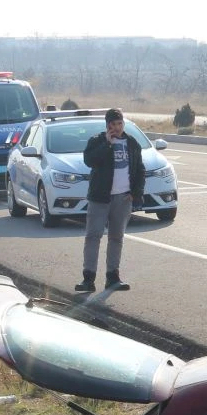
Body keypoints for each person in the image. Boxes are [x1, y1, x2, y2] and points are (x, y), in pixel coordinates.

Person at [77, 108, 144, 293]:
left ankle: (112, 277)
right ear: (107, 126)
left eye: (120, 123)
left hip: (123, 198)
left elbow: (140, 169)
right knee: (93, 236)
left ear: (124, 123)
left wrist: (136, 193)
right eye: (113, 124)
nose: (117, 127)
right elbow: (89, 160)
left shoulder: (132, 143)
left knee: (116, 238)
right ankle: (88, 278)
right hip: (100, 198)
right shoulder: (97, 140)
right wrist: (107, 143)